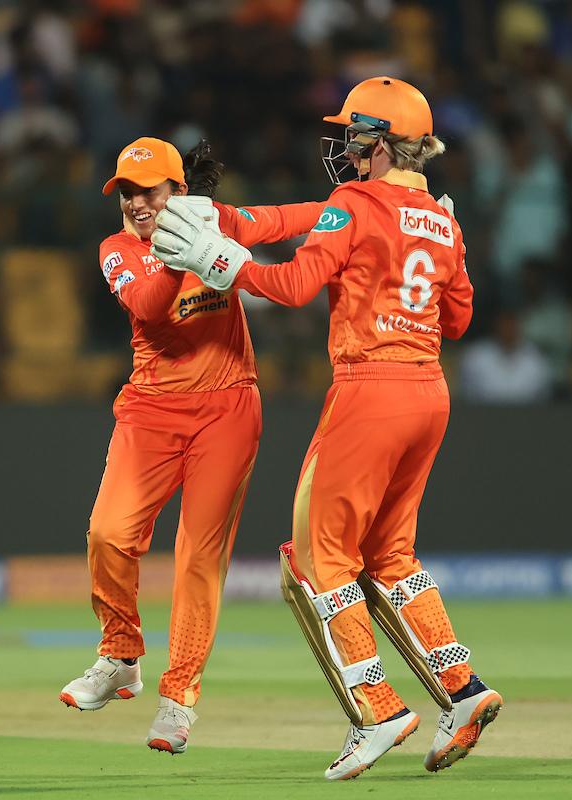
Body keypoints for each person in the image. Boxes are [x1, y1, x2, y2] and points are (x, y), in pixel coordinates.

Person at [151, 78, 502, 779]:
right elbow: (459, 321)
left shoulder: (355, 201)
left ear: (378, 142)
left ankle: (376, 707)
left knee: (314, 562)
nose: (345, 149)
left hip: (369, 390)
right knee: (390, 556)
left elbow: (293, 286)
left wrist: (220, 263)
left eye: (353, 136)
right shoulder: (442, 218)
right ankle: (462, 691)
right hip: (430, 392)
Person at [58, 137, 322, 754]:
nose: (136, 203)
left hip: (228, 405)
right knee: (108, 533)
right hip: (150, 409)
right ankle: (121, 655)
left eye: (149, 190)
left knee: (198, 558)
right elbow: (150, 308)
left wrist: (363, 207)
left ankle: (178, 701)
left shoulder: (220, 219)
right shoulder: (117, 249)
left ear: (178, 188)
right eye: (126, 192)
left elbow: (292, 218)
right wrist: (187, 254)